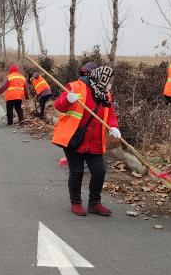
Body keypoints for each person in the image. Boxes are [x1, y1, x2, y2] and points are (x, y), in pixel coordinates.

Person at [52, 62, 121, 216]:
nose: (110, 84)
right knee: (76, 172)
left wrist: (114, 127)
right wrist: (67, 100)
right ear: (100, 77)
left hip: (95, 140)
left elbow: (110, 115)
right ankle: (76, 203)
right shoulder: (75, 87)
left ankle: (94, 204)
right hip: (74, 138)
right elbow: (59, 106)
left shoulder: (106, 95)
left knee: (99, 171)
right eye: (109, 80)